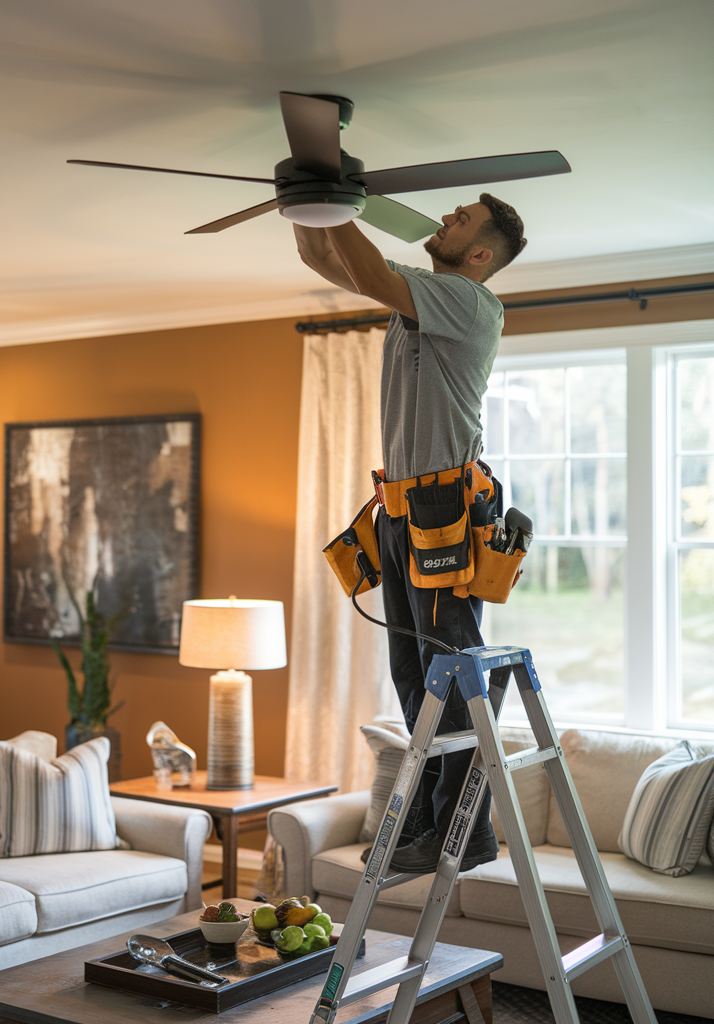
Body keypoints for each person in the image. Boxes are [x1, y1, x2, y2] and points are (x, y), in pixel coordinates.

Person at [294, 193, 527, 872]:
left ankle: (466, 830)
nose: (443, 220)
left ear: (481, 254)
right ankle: (427, 820)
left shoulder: (470, 301)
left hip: (444, 509)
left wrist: (328, 198)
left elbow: (366, 270)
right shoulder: (417, 299)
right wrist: (306, 212)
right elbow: (326, 255)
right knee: (413, 675)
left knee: (449, 673)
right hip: (401, 509)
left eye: (460, 221)